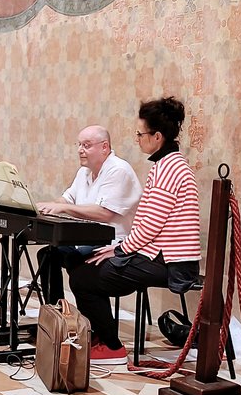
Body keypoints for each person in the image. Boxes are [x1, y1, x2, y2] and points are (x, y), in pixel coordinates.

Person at [69, 97, 201, 365]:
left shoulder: (168, 169)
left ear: (157, 136)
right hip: (160, 256)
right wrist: (120, 249)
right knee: (86, 268)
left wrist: (119, 250)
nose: (137, 139)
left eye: (141, 134)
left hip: (170, 262)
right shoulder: (169, 164)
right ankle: (102, 338)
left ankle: (111, 346)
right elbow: (149, 224)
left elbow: (151, 225)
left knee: (84, 277)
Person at [36, 125, 142, 304]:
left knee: (76, 261)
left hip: (114, 243)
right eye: (79, 145)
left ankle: (93, 318)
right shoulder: (84, 172)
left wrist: (63, 208)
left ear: (104, 147)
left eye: (86, 145)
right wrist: (45, 206)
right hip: (86, 240)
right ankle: (56, 312)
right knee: (48, 254)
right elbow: (66, 199)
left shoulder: (119, 170)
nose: (80, 150)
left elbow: (104, 213)